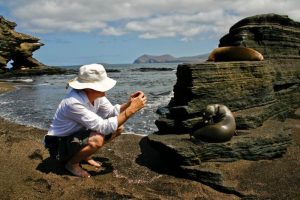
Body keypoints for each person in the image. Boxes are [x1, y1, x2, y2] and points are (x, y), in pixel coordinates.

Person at [44, 63, 147, 178]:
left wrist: (129, 104)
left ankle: (84, 155)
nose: (106, 88)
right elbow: (104, 127)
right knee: (97, 139)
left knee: (118, 128)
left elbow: (110, 112)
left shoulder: (96, 95)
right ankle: (71, 164)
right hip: (57, 144)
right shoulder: (73, 102)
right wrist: (131, 110)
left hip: (73, 137)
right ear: (89, 87)